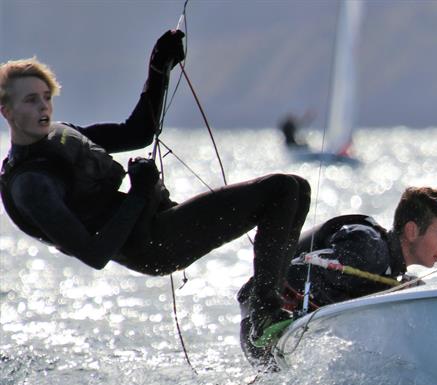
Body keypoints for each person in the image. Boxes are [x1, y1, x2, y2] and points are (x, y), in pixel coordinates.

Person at [0, 30, 310, 328]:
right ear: (7, 112)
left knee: (298, 187)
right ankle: (264, 312)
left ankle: (272, 291)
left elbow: (138, 132)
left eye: (46, 97)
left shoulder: (62, 138)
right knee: (280, 189)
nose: (43, 106)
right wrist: (140, 191)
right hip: (151, 247)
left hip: (156, 220)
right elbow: (94, 255)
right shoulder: (31, 186)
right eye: (30, 100)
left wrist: (159, 68)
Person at [238, 186, 437, 370]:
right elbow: (300, 270)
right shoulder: (368, 248)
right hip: (264, 325)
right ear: (412, 230)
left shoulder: (389, 271)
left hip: (281, 337)